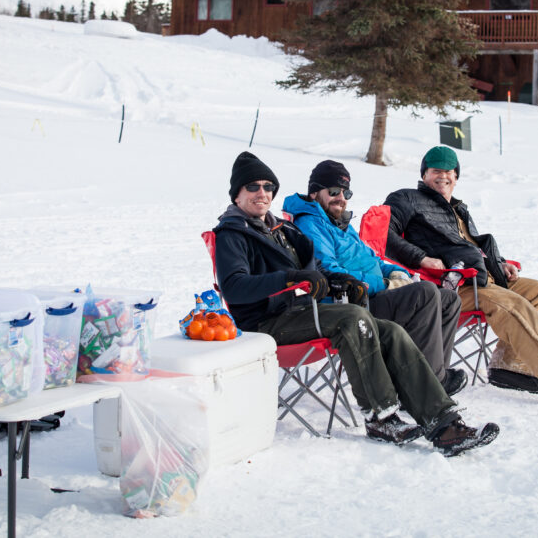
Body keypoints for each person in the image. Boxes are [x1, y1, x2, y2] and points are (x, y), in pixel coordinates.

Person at [213, 151, 498, 456]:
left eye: (268, 187)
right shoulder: (233, 233)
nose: (262, 193)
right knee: (354, 319)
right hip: (267, 322)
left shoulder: (281, 230)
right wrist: (291, 279)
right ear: (237, 193)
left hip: (303, 311)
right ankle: (381, 417)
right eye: (253, 187)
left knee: (390, 331)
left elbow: (318, 267)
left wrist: (338, 280)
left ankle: (444, 423)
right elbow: (235, 288)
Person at [384, 146, 538, 403]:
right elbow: (385, 236)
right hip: (451, 287)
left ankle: (509, 367)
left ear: (457, 177)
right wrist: (421, 258)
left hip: (481, 279)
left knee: (535, 290)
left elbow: (472, 245)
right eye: (436, 170)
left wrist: (500, 263)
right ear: (424, 174)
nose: (443, 176)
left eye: (449, 171)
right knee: (510, 303)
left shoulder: (458, 208)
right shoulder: (405, 198)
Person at [282, 160, 466, 396]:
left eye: (345, 192)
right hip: (351, 303)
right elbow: (328, 271)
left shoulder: (339, 223)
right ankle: (426, 387)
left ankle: (432, 374)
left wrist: (399, 273)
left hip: (375, 294)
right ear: (315, 192)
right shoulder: (309, 225)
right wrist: (386, 284)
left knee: (448, 299)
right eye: (334, 192)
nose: (341, 198)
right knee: (426, 295)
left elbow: (373, 259)